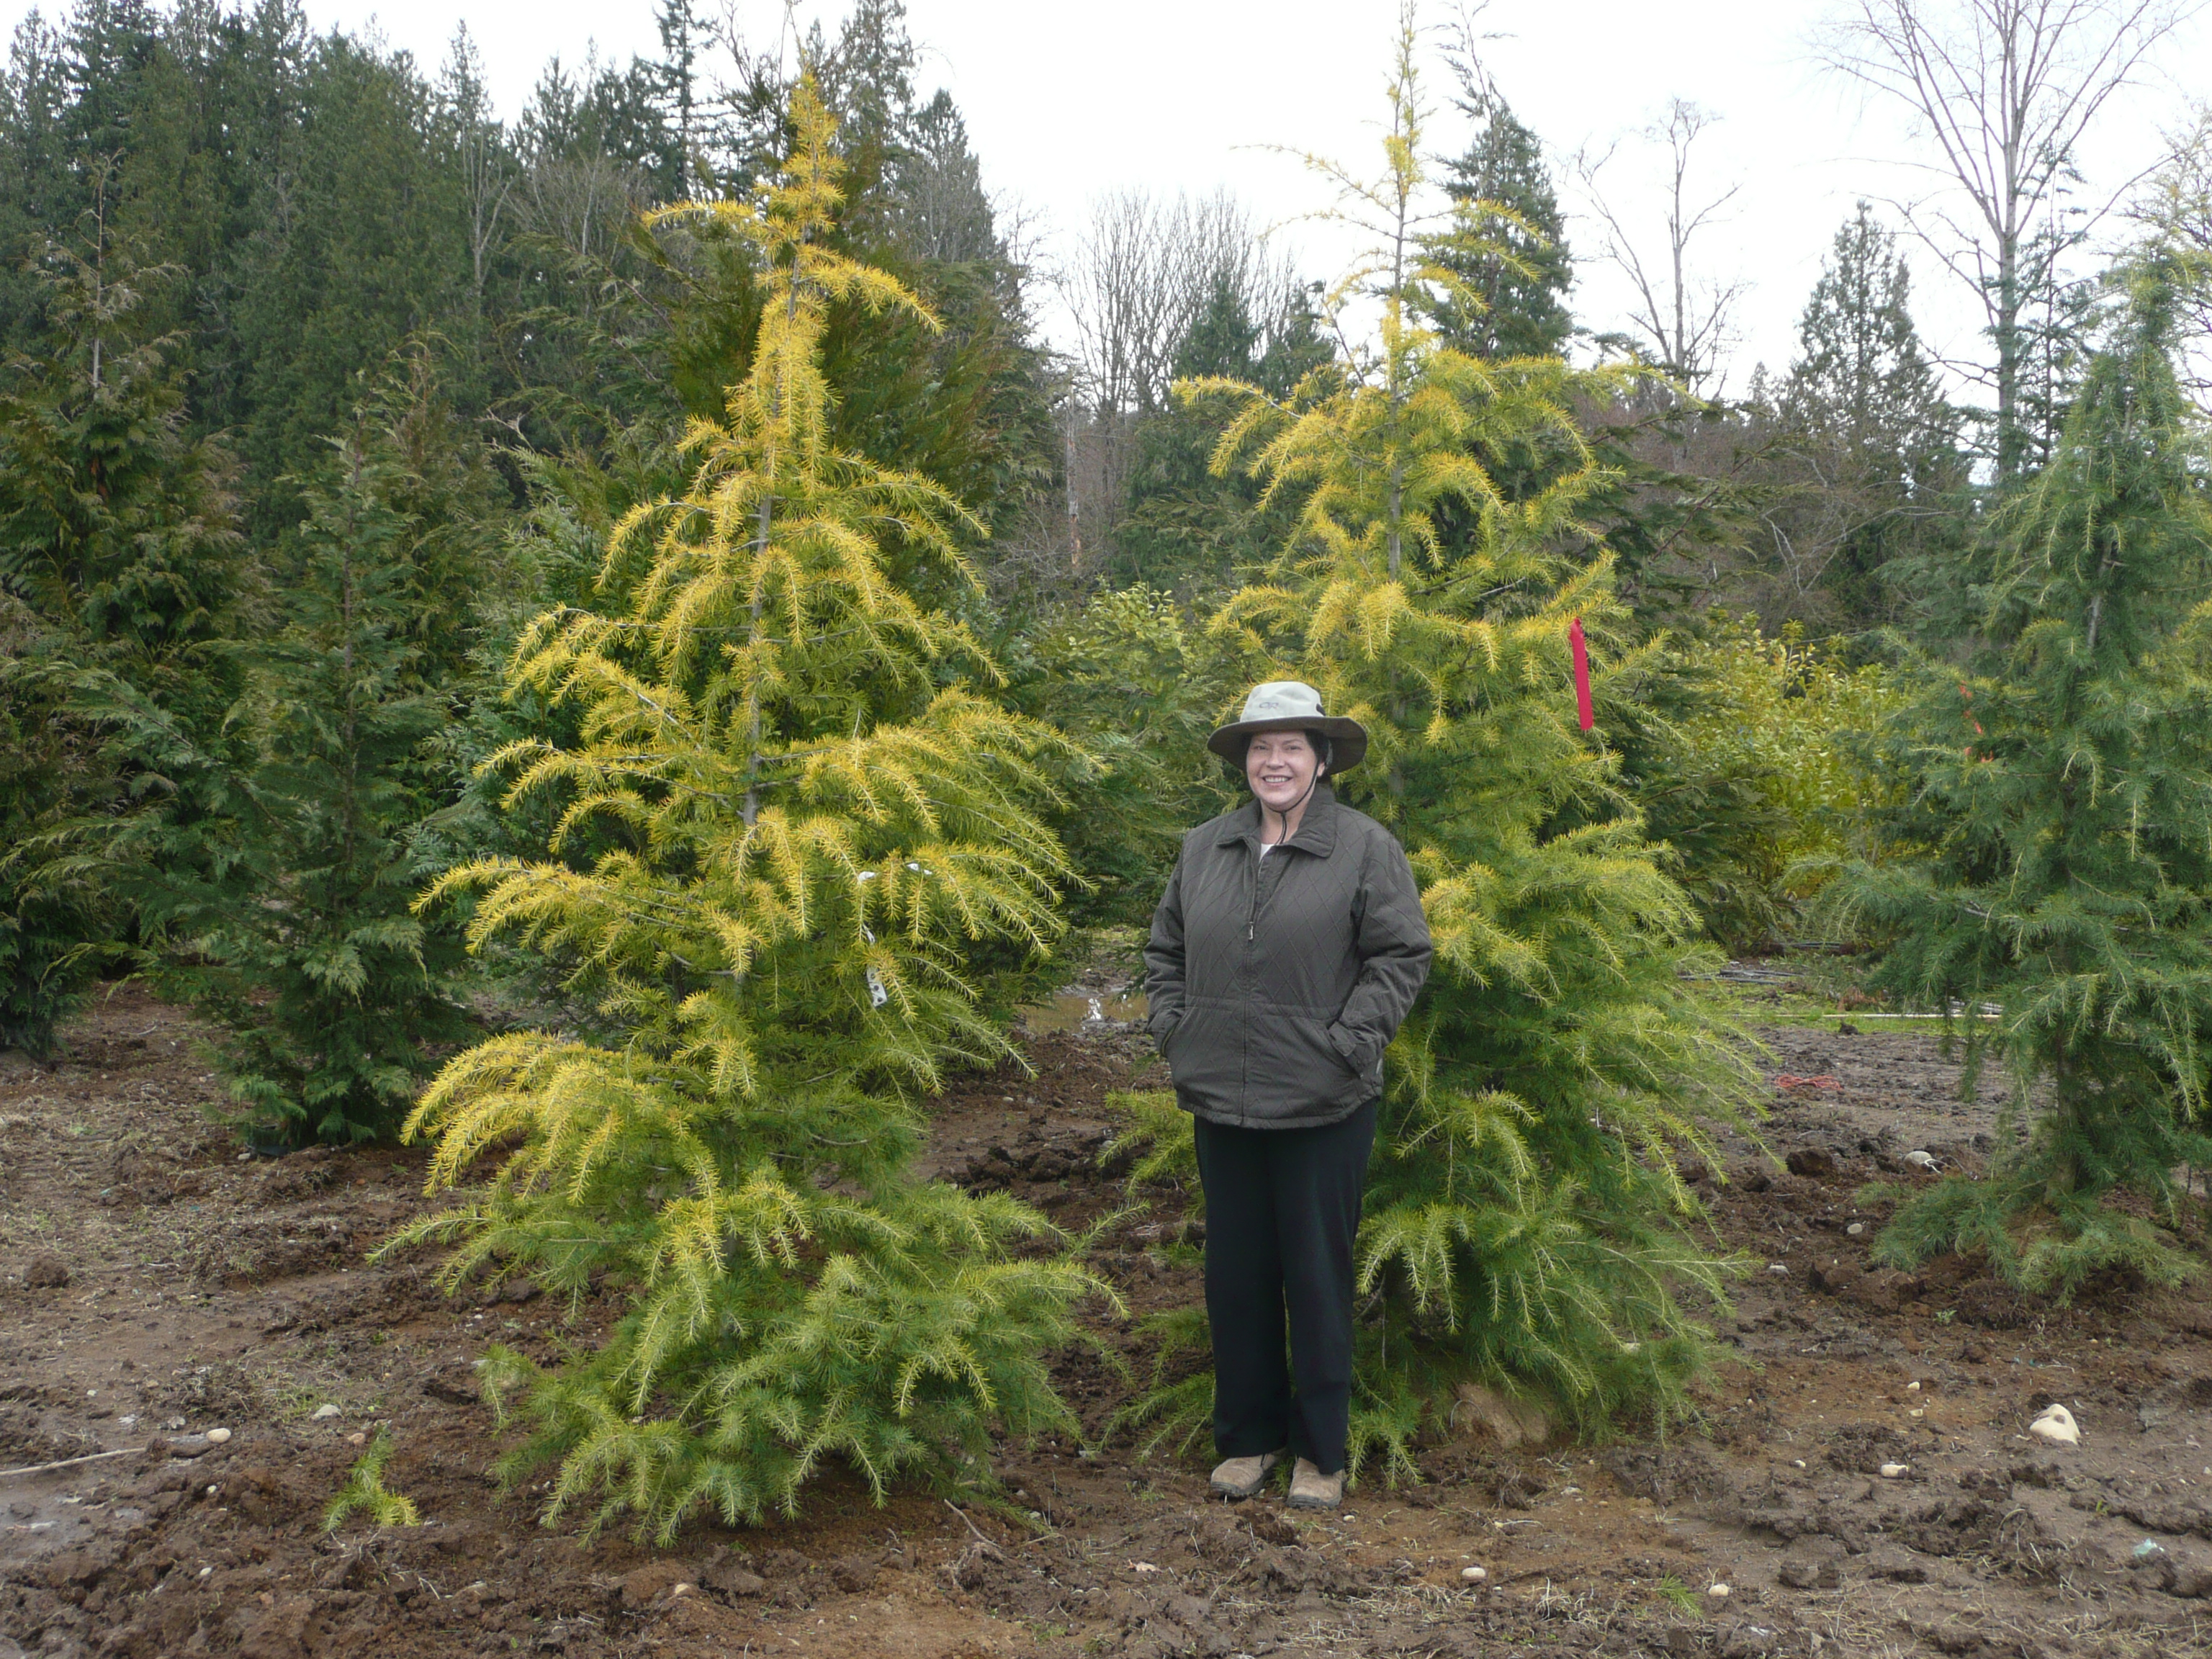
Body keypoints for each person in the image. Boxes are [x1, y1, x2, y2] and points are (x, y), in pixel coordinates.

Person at [1143, 680, 1432, 1509]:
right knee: (1234, 1276)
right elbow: (1165, 950)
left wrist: (1348, 1044)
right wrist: (1176, 1029)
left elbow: (1401, 955)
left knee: (1313, 1276)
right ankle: (1248, 1440)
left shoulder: (1365, 849)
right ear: (1243, 762)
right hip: (1221, 1100)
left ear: (1321, 759)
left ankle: (1320, 1453)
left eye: (1292, 747)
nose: (1274, 761)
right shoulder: (1206, 847)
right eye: (1260, 748)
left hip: (1322, 1103)